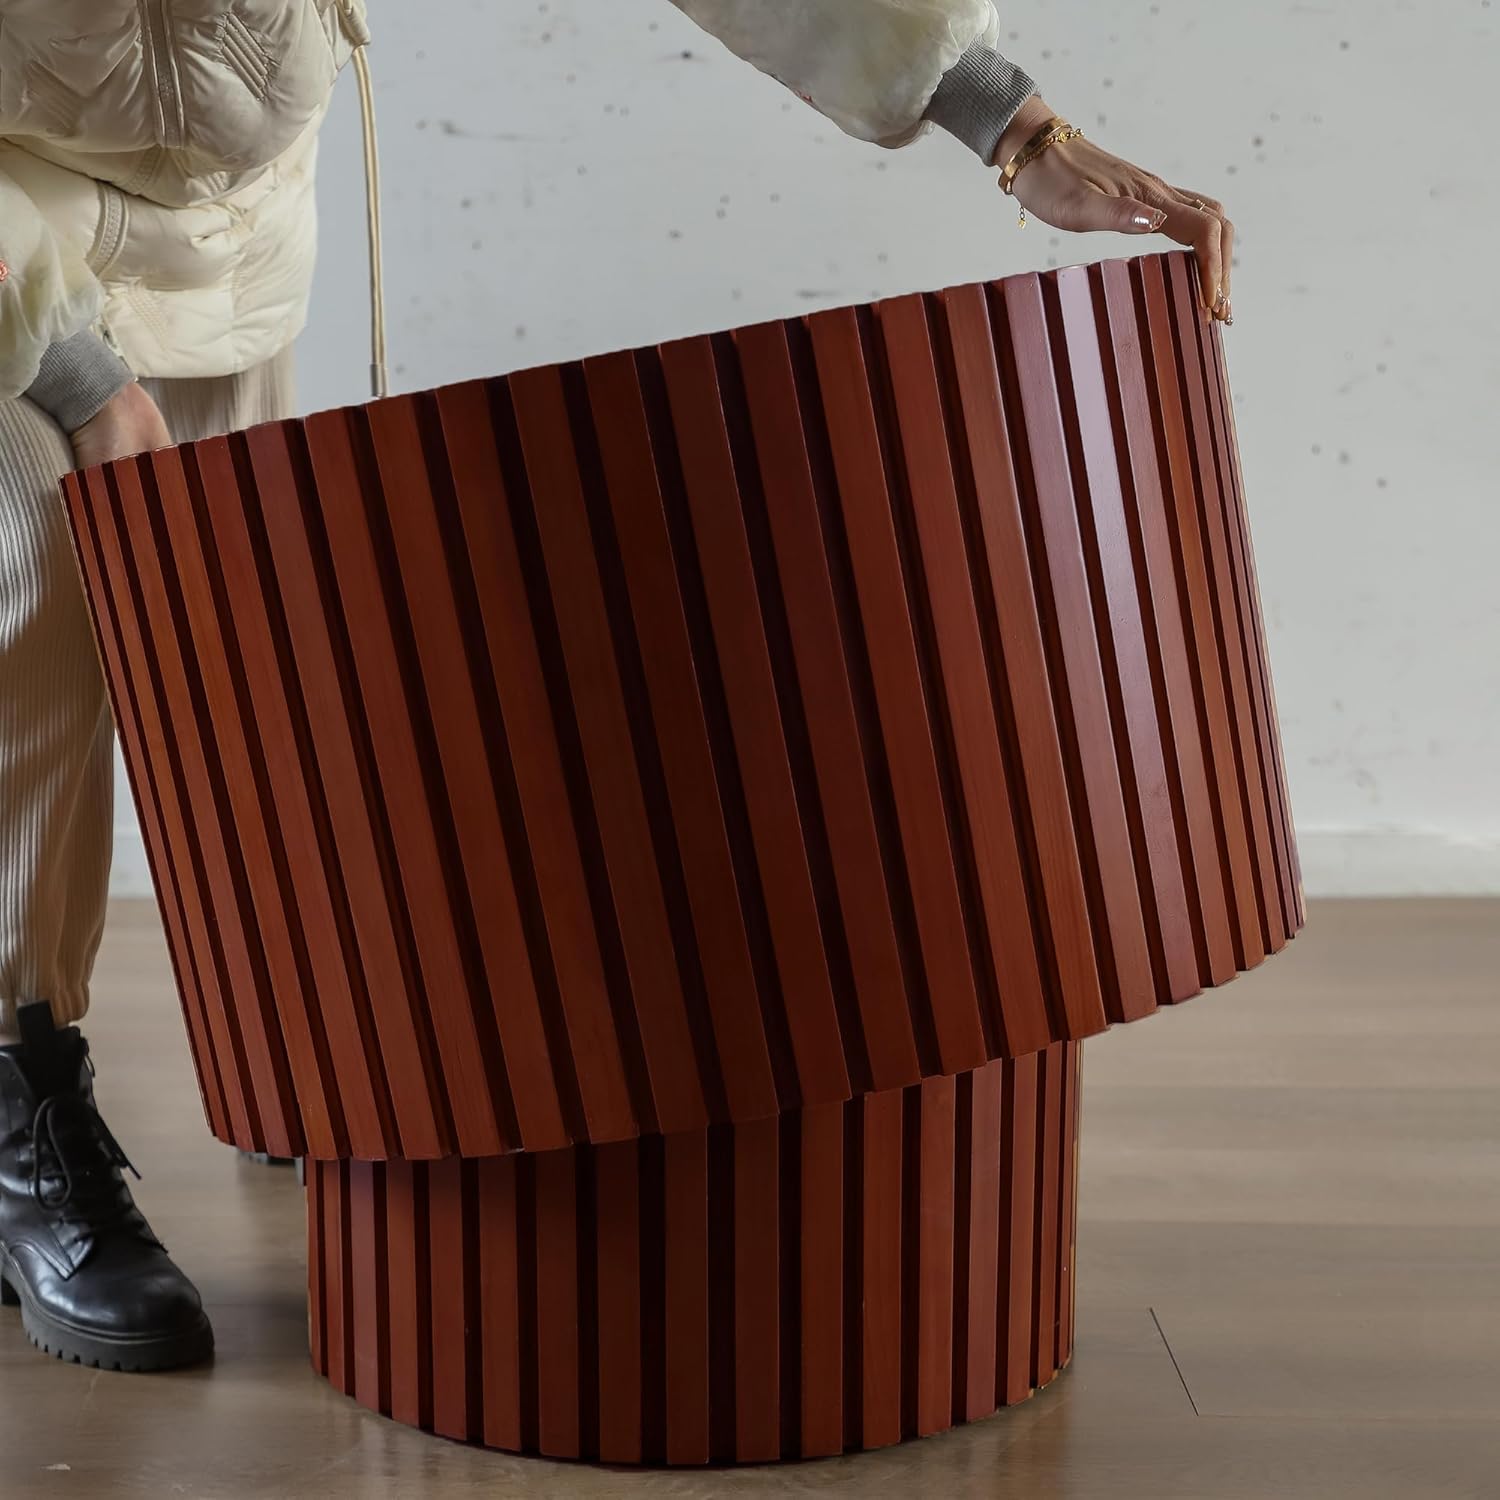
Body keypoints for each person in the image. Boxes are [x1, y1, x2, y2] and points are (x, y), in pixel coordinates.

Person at [0, 0, 1232, 1373]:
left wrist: (1014, 126)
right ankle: (15, 1104)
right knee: (32, 610)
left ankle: (317, 1049)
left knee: (235, 650)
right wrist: (82, 376)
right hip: (14, 262)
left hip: (227, 243)